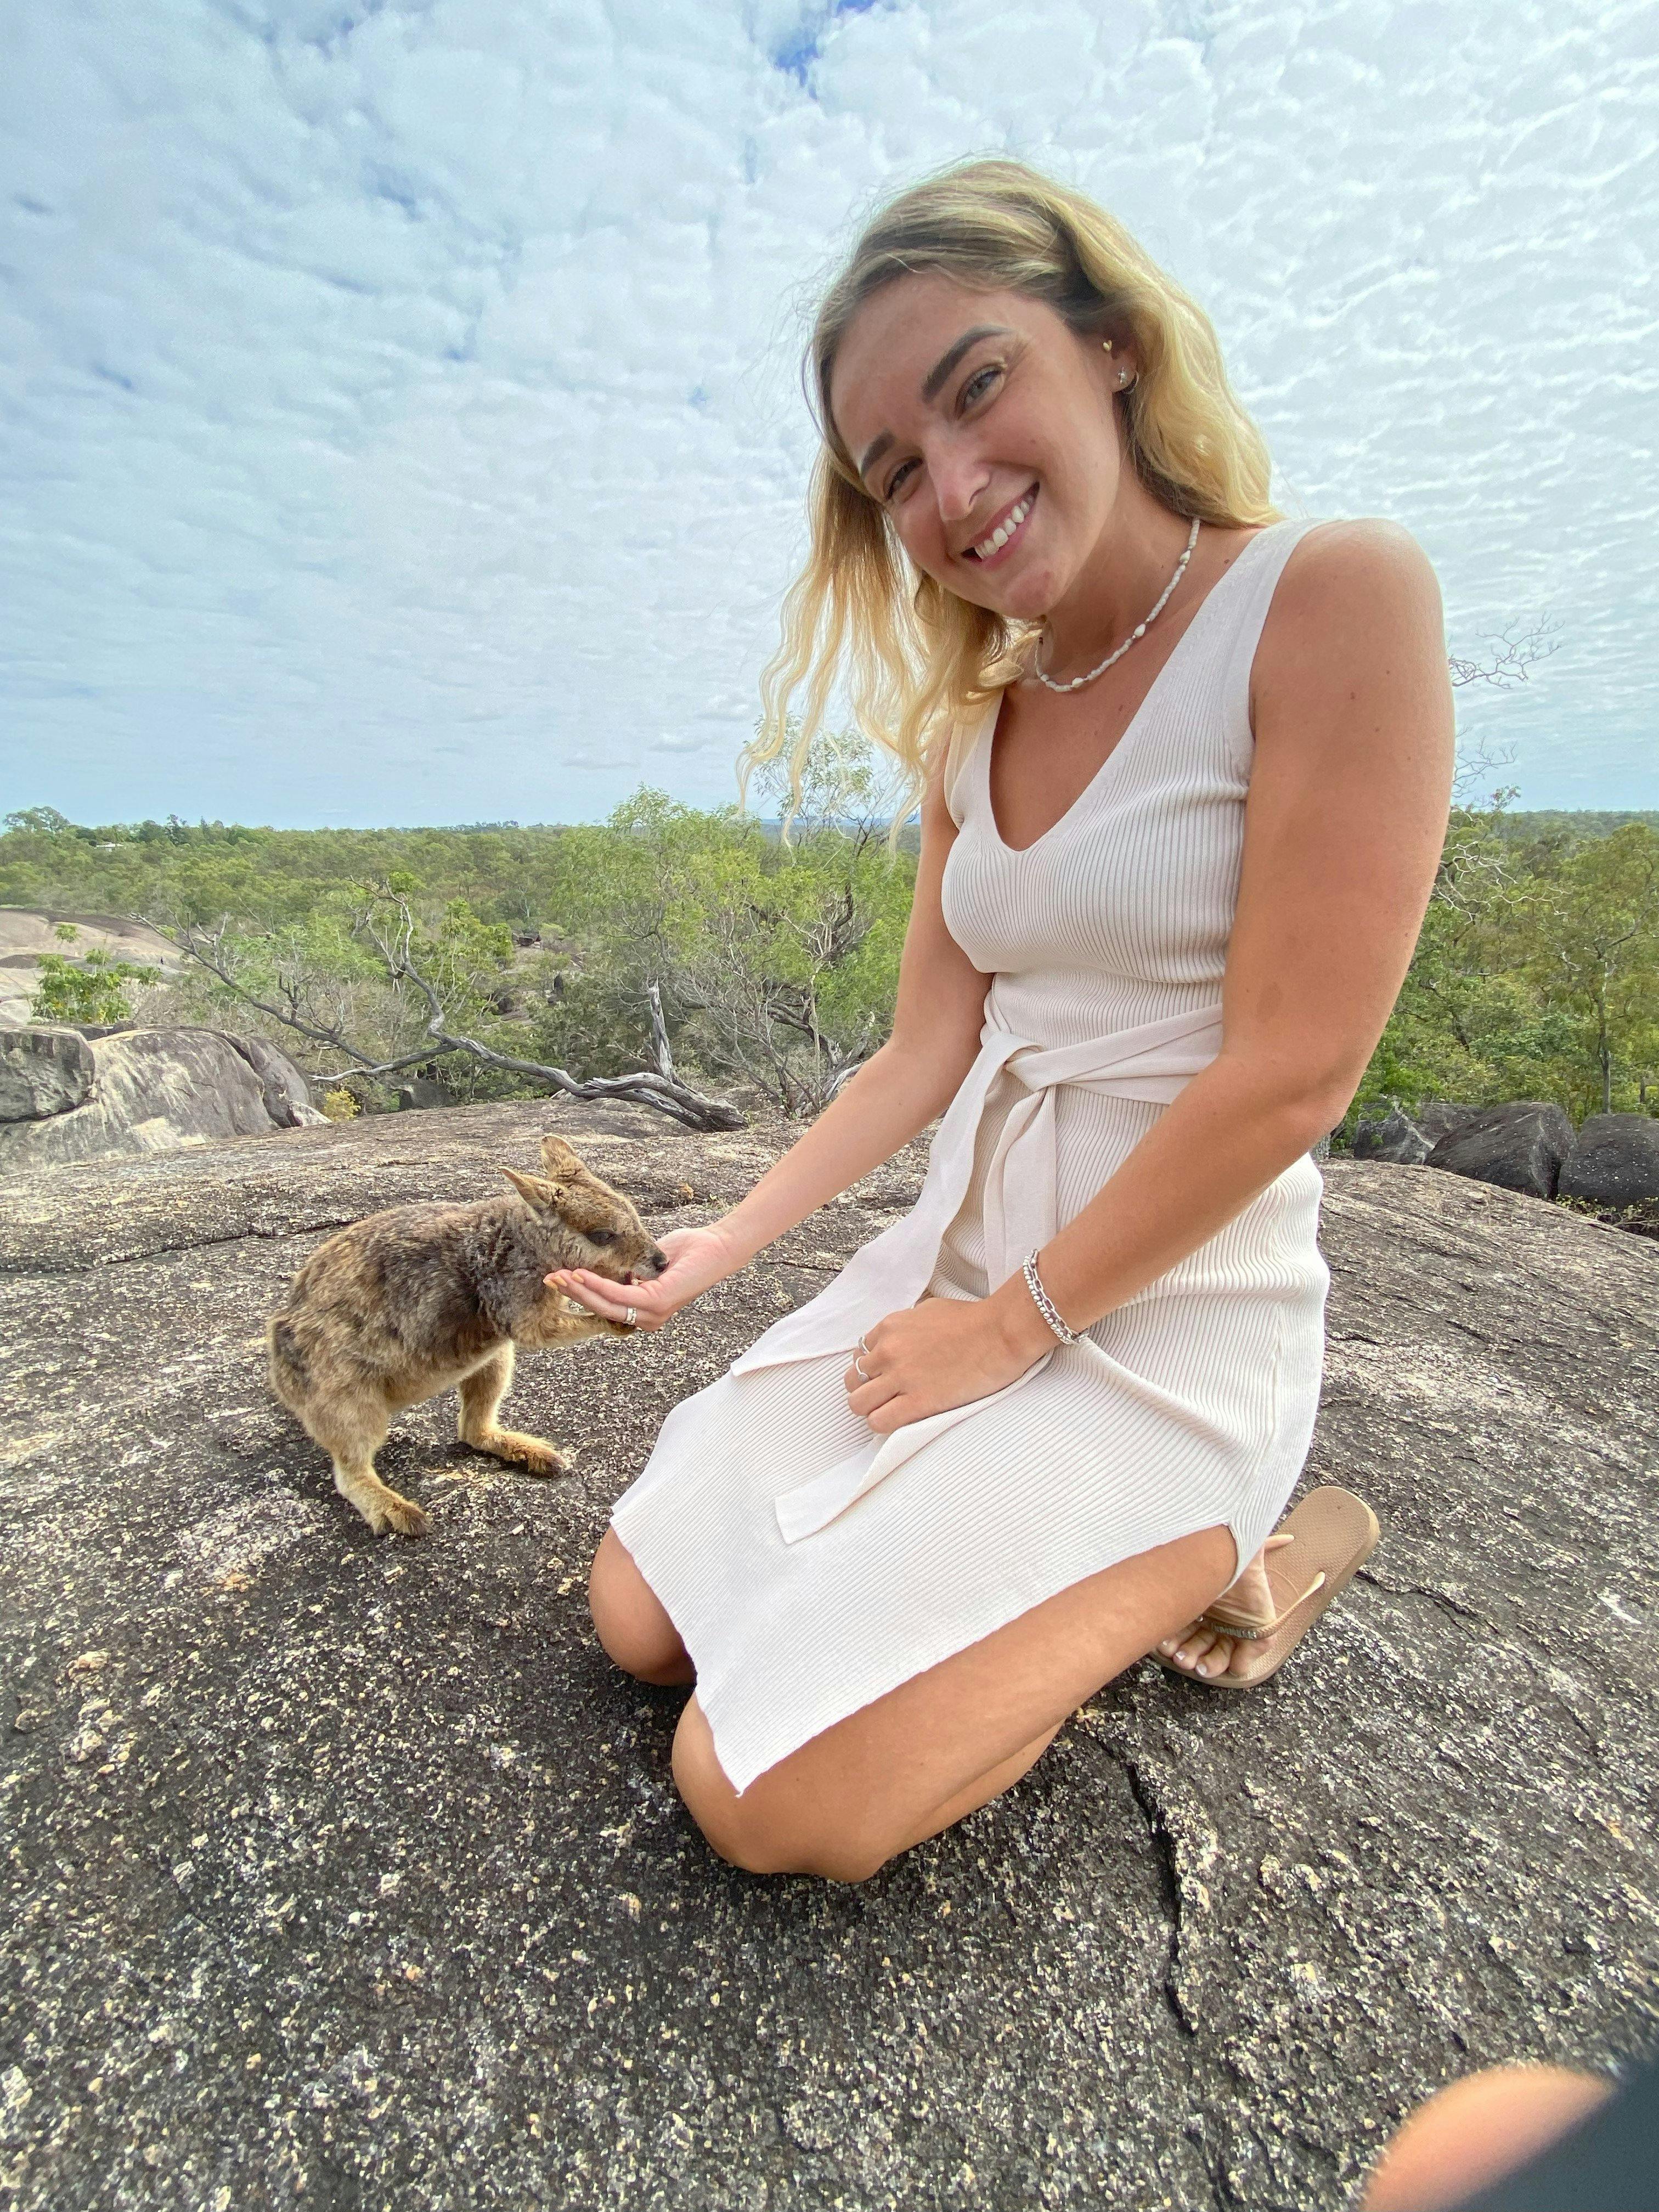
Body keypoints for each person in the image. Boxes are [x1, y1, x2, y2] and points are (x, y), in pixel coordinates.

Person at [549, 157, 1454, 1881]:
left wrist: (1012, 1335)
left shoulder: (1328, 597)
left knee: (764, 1801)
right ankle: (1037, 1563)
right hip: (962, 1272)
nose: (952, 489)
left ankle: (1222, 1536)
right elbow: (920, 1053)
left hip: (1165, 1322)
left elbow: (1292, 1076)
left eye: (979, 388)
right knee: (635, 1618)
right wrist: (720, 1242)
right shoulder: (973, 729)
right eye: (895, 470)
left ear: (1108, 345)